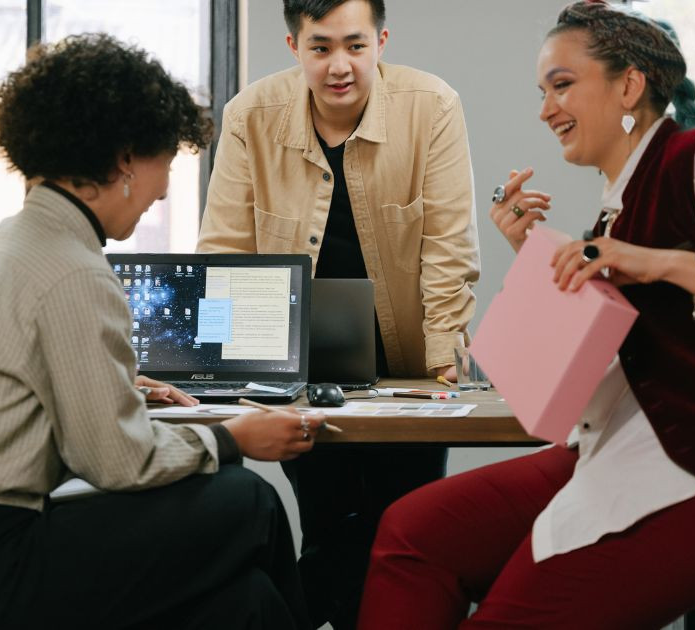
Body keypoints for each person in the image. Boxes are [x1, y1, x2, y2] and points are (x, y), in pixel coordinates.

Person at [357, 2, 695, 628]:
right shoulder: (616, 208)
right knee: (413, 532)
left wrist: (660, 263)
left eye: (563, 85)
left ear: (629, 84)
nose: (546, 109)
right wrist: (535, 251)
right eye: (543, 92)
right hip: (639, 441)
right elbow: (611, 366)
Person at [0, 34, 325, 630]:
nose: (162, 190)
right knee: (248, 500)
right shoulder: (75, 270)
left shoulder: (3, 244)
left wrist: (114, 385)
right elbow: (116, 461)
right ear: (126, 159)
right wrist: (234, 437)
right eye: (166, 164)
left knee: (246, 605)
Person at [196, 1, 480, 626]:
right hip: (295, 368)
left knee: (404, 526)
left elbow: (448, 247)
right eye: (321, 47)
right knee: (330, 525)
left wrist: (443, 364)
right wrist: (224, 371)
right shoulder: (251, 115)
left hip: (408, 367)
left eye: (355, 45)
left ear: (381, 39)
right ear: (294, 45)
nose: (339, 66)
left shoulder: (431, 106)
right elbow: (226, 249)